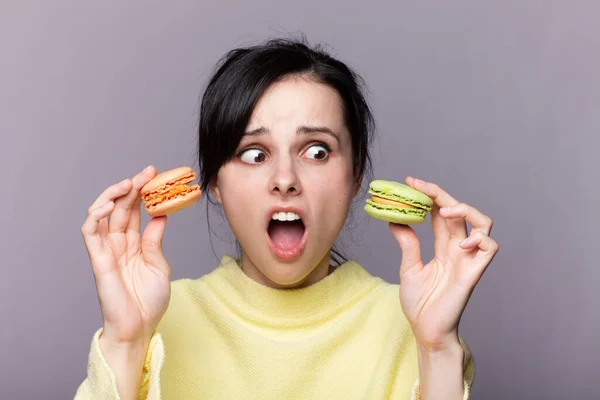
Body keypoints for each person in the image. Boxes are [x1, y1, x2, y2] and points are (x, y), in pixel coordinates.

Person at [74, 38, 498, 400]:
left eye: (316, 151)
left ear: (355, 177)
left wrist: (438, 348)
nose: (284, 180)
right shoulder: (157, 315)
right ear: (215, 183)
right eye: (254, 154)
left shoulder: (414, 321)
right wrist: (126, 341)